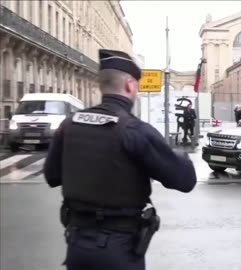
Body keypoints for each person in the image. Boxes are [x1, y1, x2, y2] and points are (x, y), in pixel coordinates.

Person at [43, 49, 197, 270]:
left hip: (77, 245)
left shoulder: (69, 125)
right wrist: (177, 154)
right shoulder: (134, 130)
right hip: (118, 250)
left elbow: (52, 176)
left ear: (101, 85)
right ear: (130, 85)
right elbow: (184, 180)